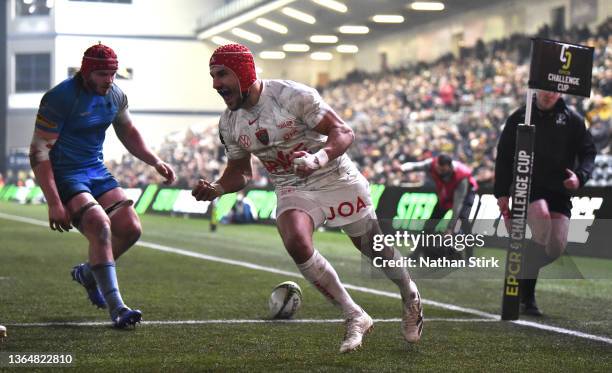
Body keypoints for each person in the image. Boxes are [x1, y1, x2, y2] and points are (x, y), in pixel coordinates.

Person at [193, 44, 423, 353]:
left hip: (335, 176)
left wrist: (318, 158)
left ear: (243, 73)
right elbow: (240, 172)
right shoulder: (229, 123)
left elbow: (343, 132)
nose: (215, 84)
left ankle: (409, 293)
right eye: (212, 76)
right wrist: (218, 188)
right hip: (292, 186)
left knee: (373, 249)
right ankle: (354, 314)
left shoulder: (291, 96)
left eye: (222, 75)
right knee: (296, 241)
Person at [29, 43, 176, 328]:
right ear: (86, 72)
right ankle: (118, 308)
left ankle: (87, 273)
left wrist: (154, 161)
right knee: (100, 225)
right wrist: (54, 201)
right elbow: (38, 152)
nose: (109, 80)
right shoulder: (59, 98)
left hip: (95, 170)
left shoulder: (115, 95)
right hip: (65, 173)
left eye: (112, 74)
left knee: (131, 228)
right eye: (102, 74)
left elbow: (128, 131)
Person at [495, 89, 596, 316]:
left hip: (559, 190)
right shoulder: (519, 118)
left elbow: (589, 152)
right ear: (536, 88)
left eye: (555, 90)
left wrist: (580, 176)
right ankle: (527, 296)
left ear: (561, 91)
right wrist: (501, 192)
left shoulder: (574, 121)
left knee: (556, 246)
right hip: (527, 185)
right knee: (541, 220)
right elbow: (503, 155)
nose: (549, 94)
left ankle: (523, 280)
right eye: (545, 89)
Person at [397, 154, 478, 259]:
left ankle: (470, 258)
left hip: (465, 195)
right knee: (429, 224)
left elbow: (457, 205)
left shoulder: (461, 177)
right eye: (438, 169)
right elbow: (417, 166)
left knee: (464, 221)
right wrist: (404, 167)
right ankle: (416, 254)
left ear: (449, 166)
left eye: (442, 169)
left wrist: (450, 228)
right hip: (447, 192)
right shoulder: (433, 164)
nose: (439, 172)